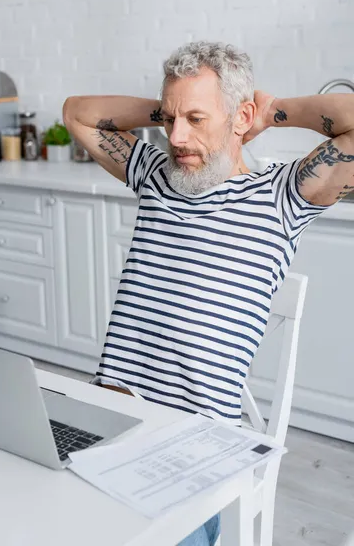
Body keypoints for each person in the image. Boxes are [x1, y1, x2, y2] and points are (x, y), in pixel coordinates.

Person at [63, 41, 354, 546]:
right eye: (169, 119)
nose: (176, 137)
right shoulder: (157, 177)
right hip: (110, 419)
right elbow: (77, 113)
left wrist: (273, 112)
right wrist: (176, 106)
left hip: (192, 452)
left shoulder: (281, 196)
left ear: (240, 117)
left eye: (196, 119)